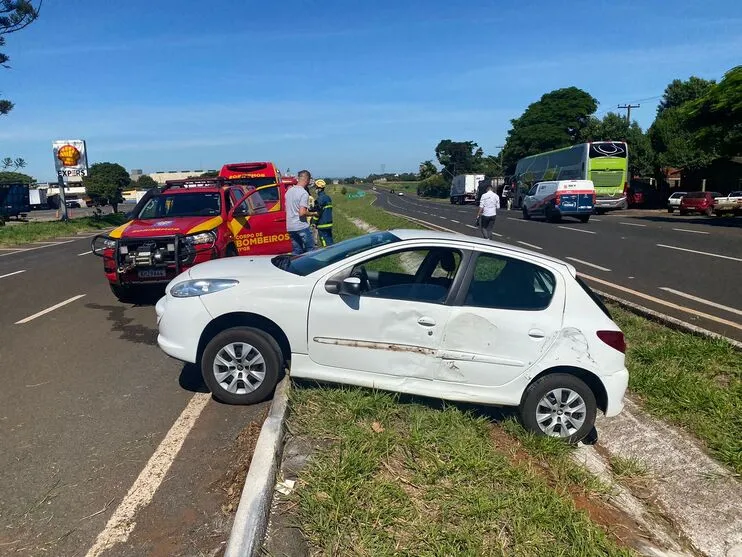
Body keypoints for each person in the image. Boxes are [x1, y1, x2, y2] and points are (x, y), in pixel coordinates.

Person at [286, 169, 315, 254]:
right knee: (311, 250)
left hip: (290, 226)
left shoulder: (289, 191)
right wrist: (313, 213)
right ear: (307, 180)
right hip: (301, 226)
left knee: (297, 251)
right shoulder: (303, 193)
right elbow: (302, 212)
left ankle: (295, 266)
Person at [312, 179, 334, 246]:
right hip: (329, 224)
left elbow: (318, 212)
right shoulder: (328, 198)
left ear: (319, 189)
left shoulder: (320, 199)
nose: (315, 189)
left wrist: (313, 222)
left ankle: (328, 255)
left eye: (316, 188)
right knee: (330, 241)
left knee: (325, 244)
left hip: (322, 225)